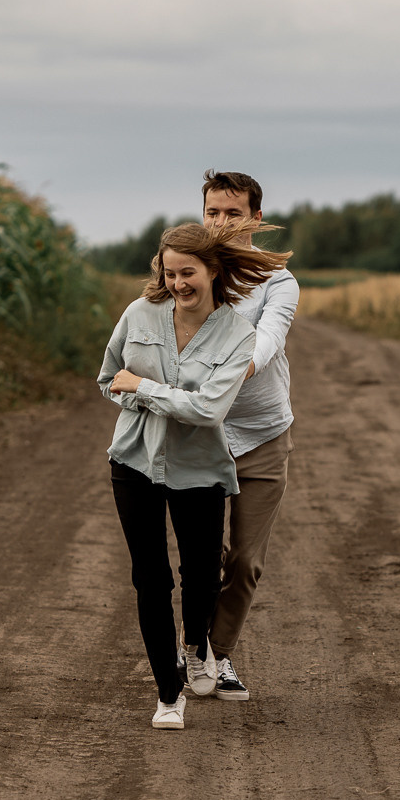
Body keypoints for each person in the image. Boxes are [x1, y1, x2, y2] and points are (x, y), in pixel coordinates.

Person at [99, 221, 292, 729]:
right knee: (150, 578)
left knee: (202, 576)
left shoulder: (239, 335)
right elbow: (107, 379)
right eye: (170, 273)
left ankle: (196, 643)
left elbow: (208, 411)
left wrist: (142, 388)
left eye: (188, 273)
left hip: (200, 467)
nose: (179, 283)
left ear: (213, 271)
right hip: (133, 460)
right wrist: (148, 394)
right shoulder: (139, 314)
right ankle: (168, 693)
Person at [198, 170, 299, 702]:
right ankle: (198, 656)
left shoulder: (278, 284)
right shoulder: (190, 275)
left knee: (243, 561)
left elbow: (265, 343)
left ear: (255, 219)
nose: (220, 223)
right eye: (213, 212)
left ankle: (217, 655)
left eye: (232, 213)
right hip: (200, 435)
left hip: (261, 433)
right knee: (199, 555)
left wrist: (230, 371)